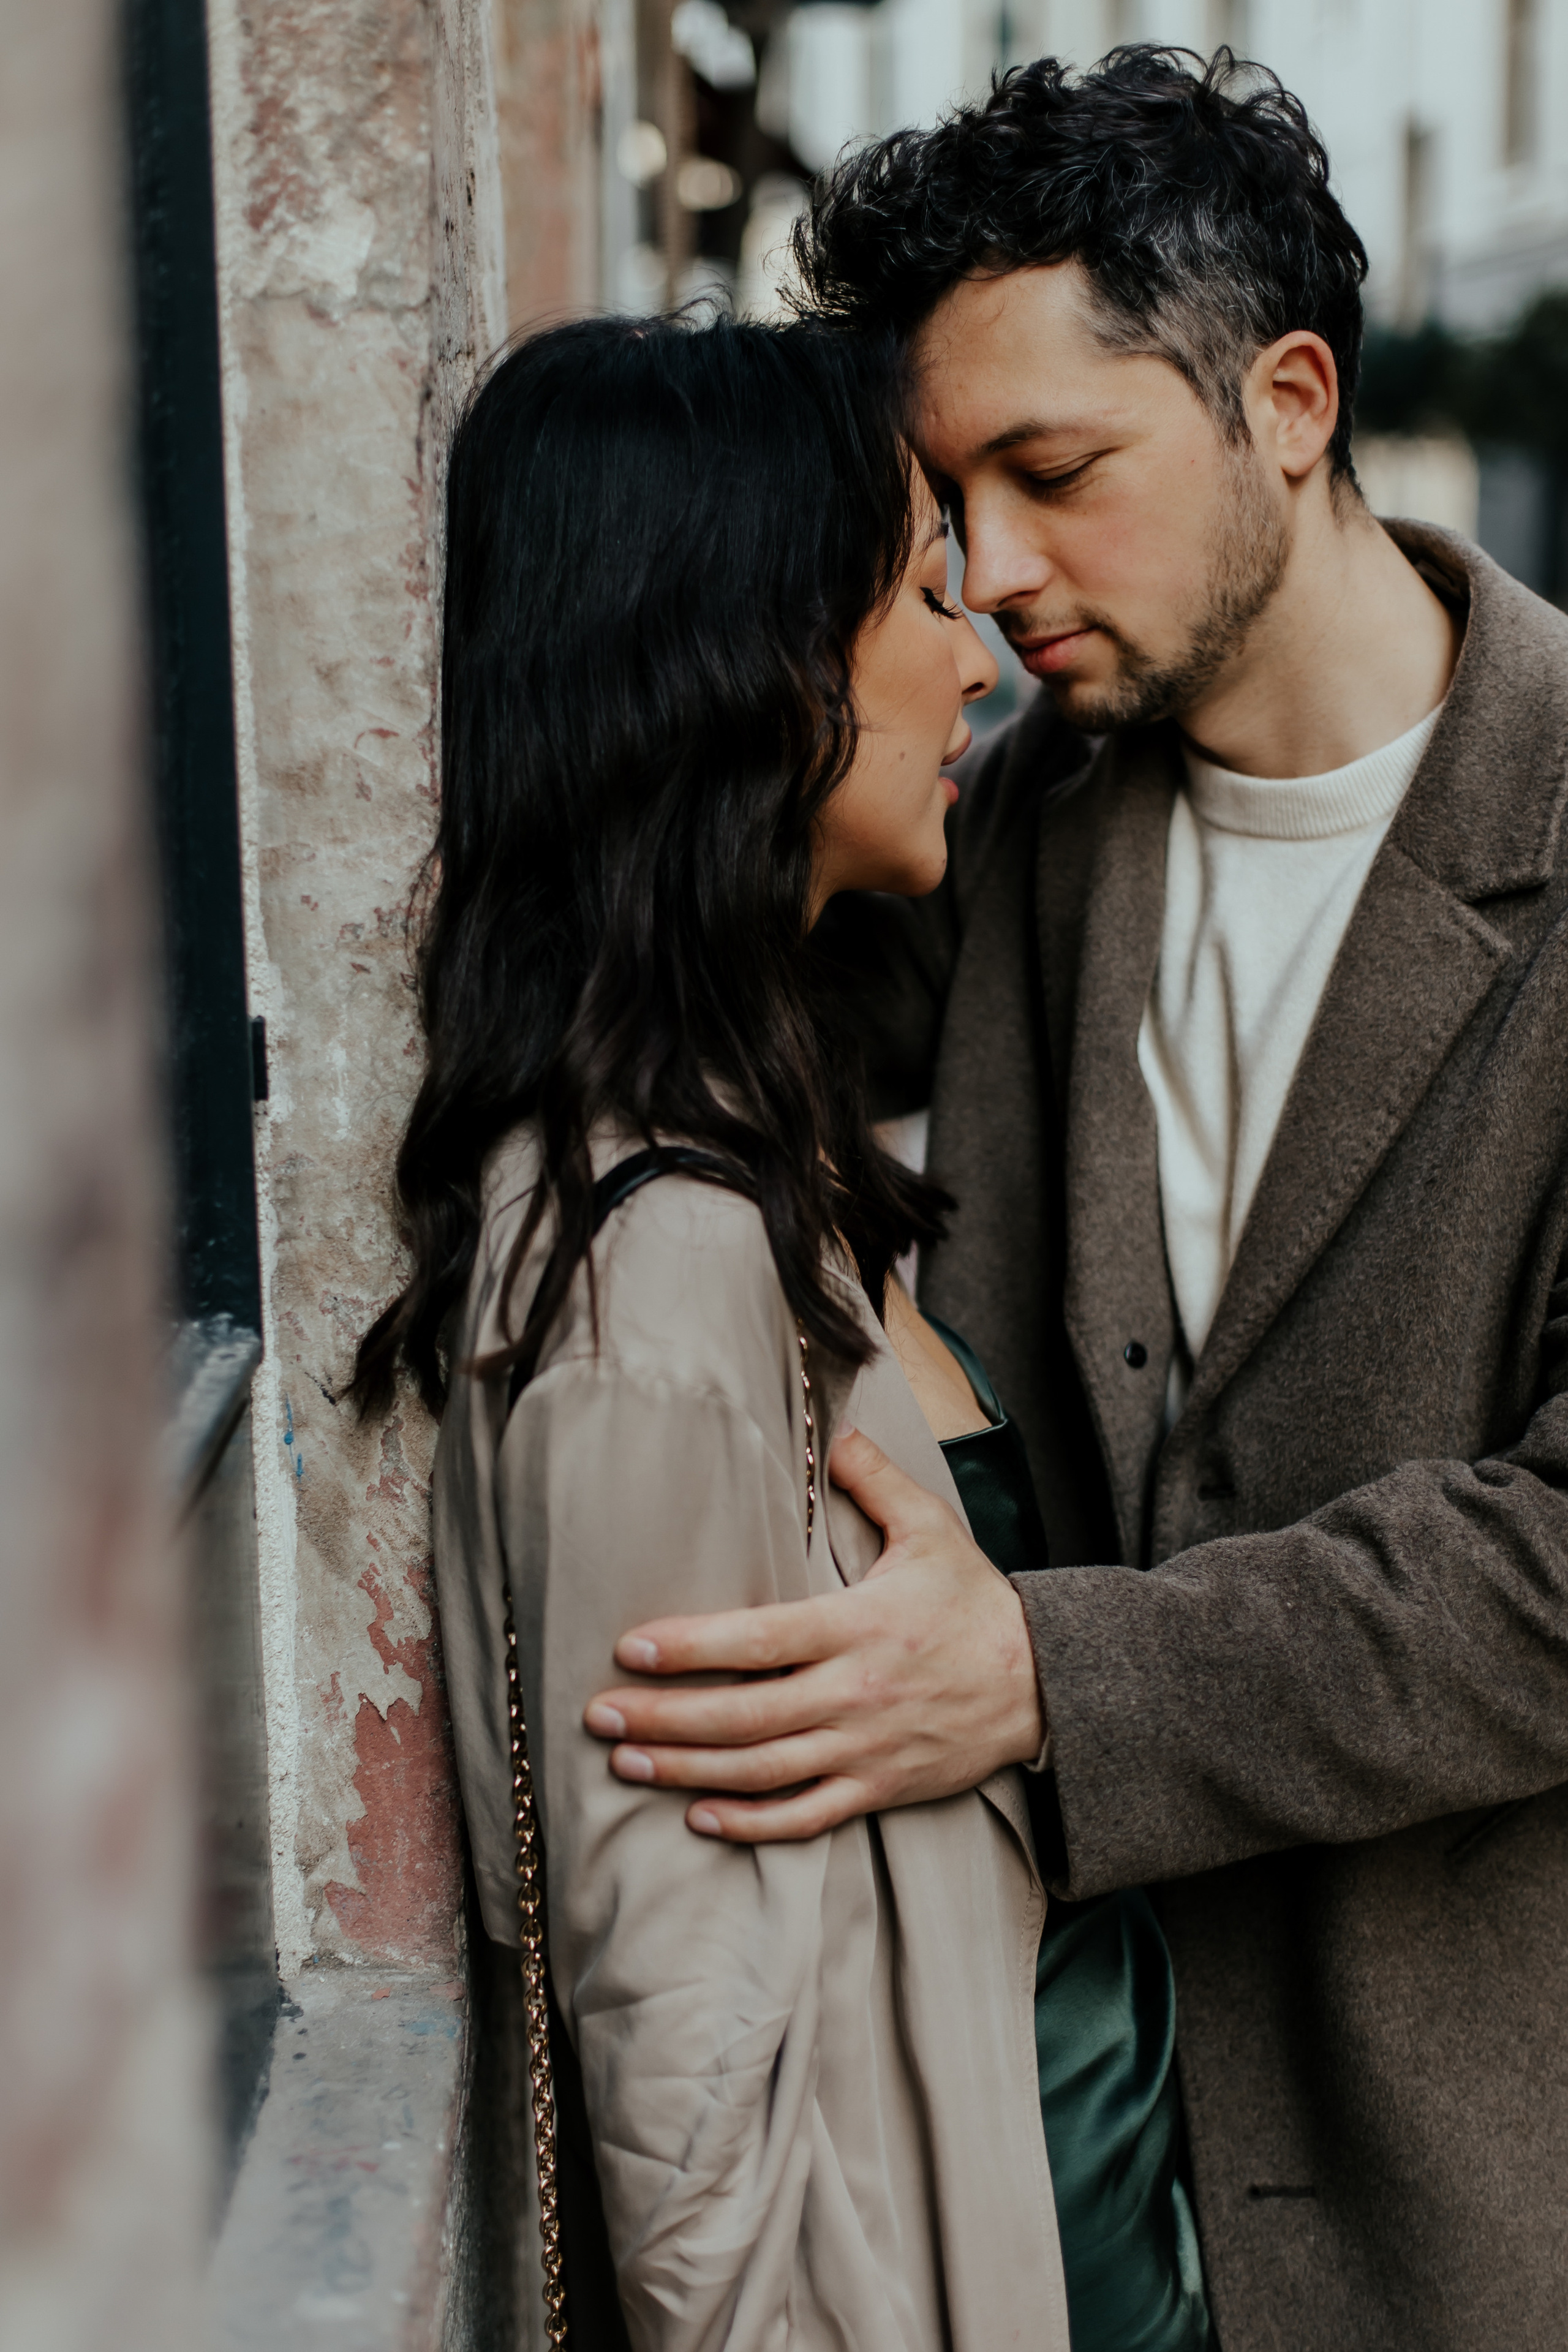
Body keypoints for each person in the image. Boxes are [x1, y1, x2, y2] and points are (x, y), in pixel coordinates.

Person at [580, 47, 1568, 2352]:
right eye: (951, 501)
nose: (995, 571)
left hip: (1468, 2211)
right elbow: (695, 998)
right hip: (1052, 2188)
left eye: (1057, 472)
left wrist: (1042, 1669)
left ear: (1292, 403)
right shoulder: (1023, 822)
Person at [352, 314, 1085, 2350]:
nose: (979, 653)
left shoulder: (730, 1156)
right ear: (741, 654)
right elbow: (687, 2079)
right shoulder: (651, 1257)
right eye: (922, 584)